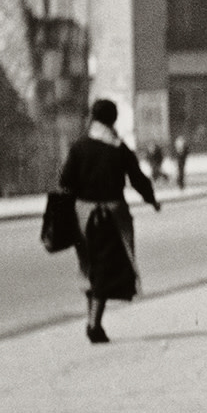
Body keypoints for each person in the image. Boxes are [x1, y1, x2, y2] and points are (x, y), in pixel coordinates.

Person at [56, 99, 160, 343]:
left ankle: (93, 321)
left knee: (90, 268)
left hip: (83, 216)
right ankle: (94, 324)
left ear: (93, 118)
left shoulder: (79, 147)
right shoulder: (119, 148)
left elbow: (64, 181)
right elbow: (137, 179)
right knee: (104, 271)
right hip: (111, 217)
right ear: (113, 120)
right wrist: (152, 200)